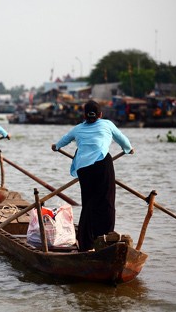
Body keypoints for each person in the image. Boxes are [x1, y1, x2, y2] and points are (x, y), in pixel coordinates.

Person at [51, 100, 134, 251]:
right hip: (102, 164)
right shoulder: (107, 124)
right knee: (106, 201)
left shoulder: (78, 128)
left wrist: (56, 147)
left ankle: (86, 243)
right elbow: (122, 139)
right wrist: (129, 149)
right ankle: (105, 238)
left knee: (89, 204)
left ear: (84, 115)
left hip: (83, 168)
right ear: (101, 115)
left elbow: (64, 140)